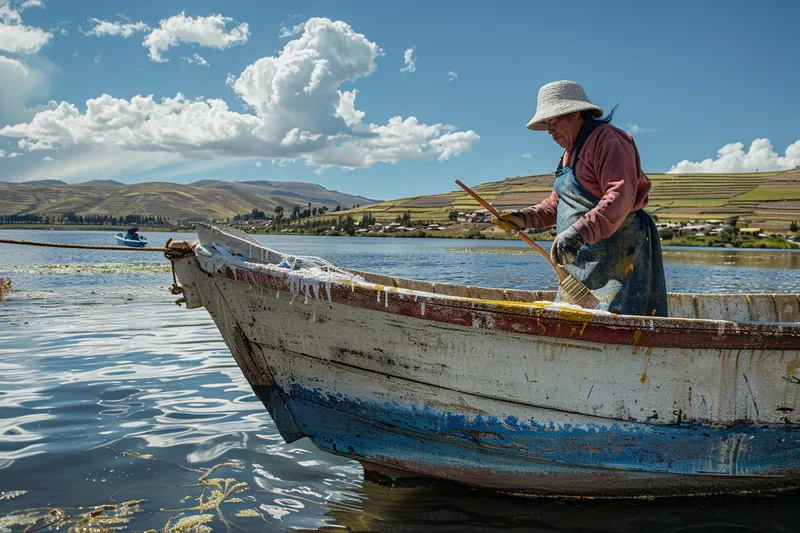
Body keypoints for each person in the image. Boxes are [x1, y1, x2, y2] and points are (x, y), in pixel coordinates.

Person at [491, 80, 667, 317]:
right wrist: (523, 218)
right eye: (547, 124)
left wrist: (578, 233)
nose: (550, 129)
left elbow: (620, 196)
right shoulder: (568, 155)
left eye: (555, 121)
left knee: (617, 318)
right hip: (583, 261)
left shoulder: (609, 141)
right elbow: (557, 204)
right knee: (576, 316)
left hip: (620, 255)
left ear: (575, 114)